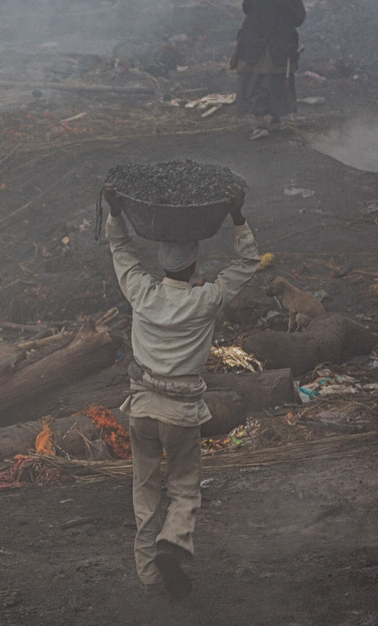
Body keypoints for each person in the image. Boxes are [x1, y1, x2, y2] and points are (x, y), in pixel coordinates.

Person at [100, 188, 261, 600]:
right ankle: (172, 542)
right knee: (185, 486)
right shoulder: (206, 299)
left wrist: (116, 212)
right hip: (181, 413)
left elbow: (120, 248)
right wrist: (237, 217)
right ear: (193, 266)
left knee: (145, 489)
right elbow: (247, 263)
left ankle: (150, 576)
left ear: (163, 265)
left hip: (141, 407)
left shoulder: (142, 292)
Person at [230, 0, 306, 125]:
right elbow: (299, 19)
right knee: (278, 83)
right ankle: (276, 119)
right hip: (281, 48)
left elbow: (246, 10)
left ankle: (260, 123)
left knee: (255, 83)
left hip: (253, 48)